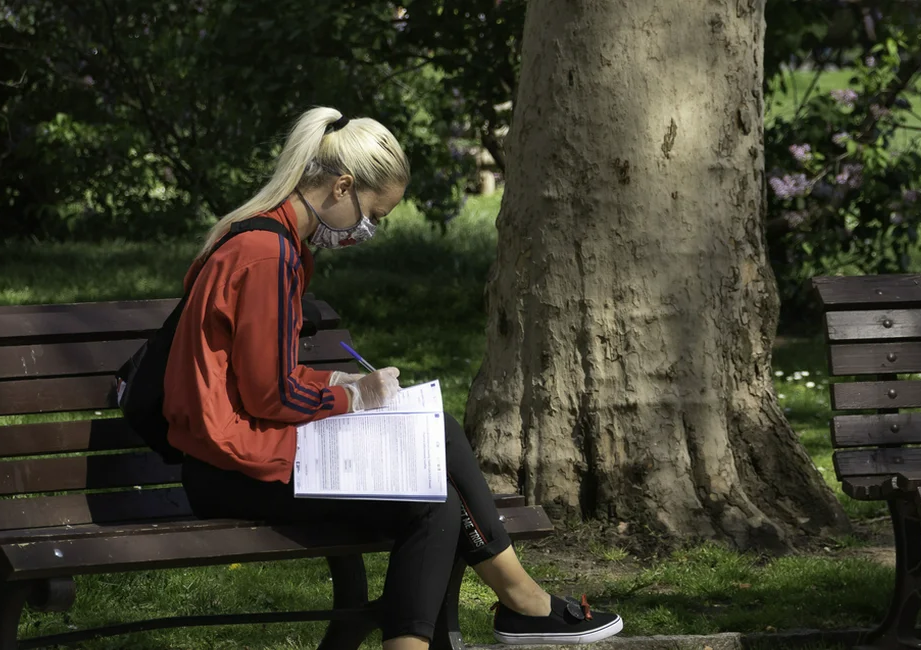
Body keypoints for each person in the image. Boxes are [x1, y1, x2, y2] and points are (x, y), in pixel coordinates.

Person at [162, 106, 624, 650]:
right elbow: (269, 394)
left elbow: (259, 373)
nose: (368, 231)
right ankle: (522, 603)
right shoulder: (267, 254)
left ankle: (518, 604)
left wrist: (342, 388)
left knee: (437, 450)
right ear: (341, 187)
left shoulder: (269, 242)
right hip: (232, 466)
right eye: (373, 214)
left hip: (247, 450)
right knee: (433, 498)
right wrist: (354, 398)